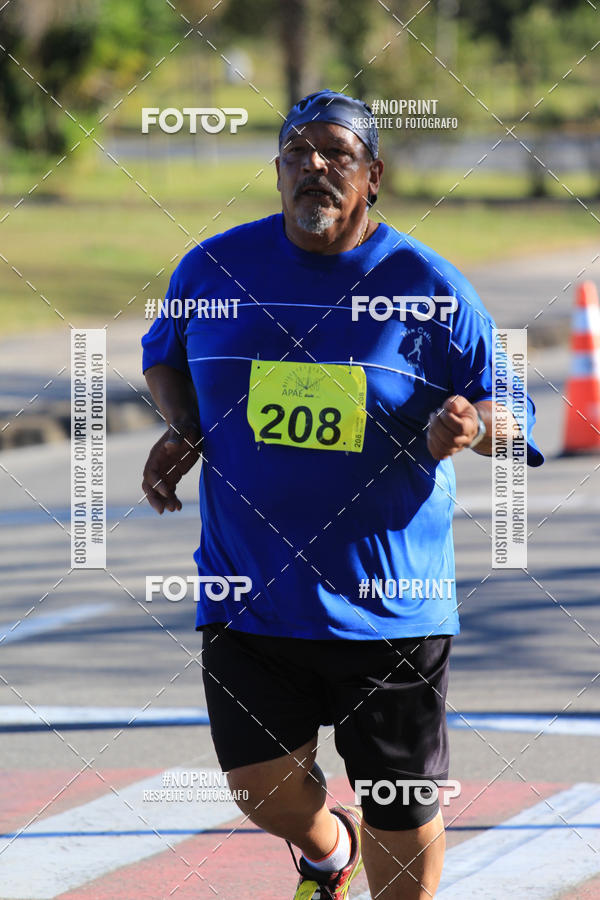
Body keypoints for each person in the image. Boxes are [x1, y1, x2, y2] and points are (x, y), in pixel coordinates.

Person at [141, 90, 543, 899]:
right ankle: (329, 848)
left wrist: (474, 425)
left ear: (374, 177)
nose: (314, 168)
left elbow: (515, 406)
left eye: (338, 155)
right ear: (279, 168)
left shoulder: (427, 285)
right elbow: (166, 354)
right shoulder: (214, 267)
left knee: (400, 809)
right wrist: (183, 424)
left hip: (389, 606)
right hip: (250, 592)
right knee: (259, 789)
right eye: (298, 153)